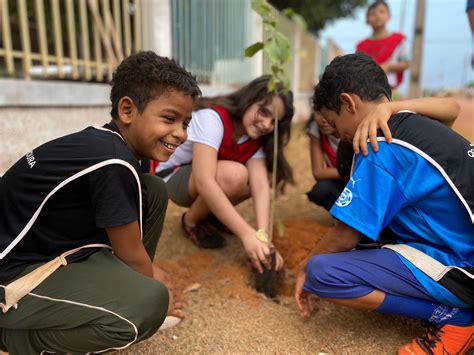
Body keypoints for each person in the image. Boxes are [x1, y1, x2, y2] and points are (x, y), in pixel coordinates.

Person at [0, 51, 201, 354]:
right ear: (127, 110)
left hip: (46, 252)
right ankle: (13, 341)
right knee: (149, 303)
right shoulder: (112, 161)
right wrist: (156, 288)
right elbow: (133, 255)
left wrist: (144, 275)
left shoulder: (112, 147)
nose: (181, 133)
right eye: (170, 119)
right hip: (10, 276)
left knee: (153, 190)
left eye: (186, 123)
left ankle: (121, 289)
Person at [295, 53, 473, 355]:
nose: (341, 137)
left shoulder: (379, 146)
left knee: (322, 272)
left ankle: (457, 319)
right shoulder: (418, 121)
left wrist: (303, 268)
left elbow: (344, 235)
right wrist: (389, 107)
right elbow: (452, 108)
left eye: (337, 126)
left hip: (466, 270)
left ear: (348, 103)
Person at [156, 75, 294, 274]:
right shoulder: (213, 119)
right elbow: (204, 182)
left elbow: (261, 186)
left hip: (199, 179)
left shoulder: (254, 138)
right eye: (263, 112)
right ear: (248, 100)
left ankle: (213, 216)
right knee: (236, 175)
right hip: (173, 178)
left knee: (256, 180)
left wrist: (263, 237)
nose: (266, 124)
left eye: (274, 122)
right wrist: (247, 234)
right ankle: (191, 222)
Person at [356, 0, 410, 88]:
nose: (377, 16)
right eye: (373, 14)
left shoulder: (399, 40)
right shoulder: (361, 46)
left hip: (391, 89)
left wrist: (388, 67)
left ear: (389, 17)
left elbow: (406, 63)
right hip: (368, 90)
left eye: (381, 12)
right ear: (367, 20)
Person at [305, 111, 345, 211]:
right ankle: (342, 217)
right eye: (319, 112)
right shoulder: (316, 128)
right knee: (321, 190)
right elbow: (318, 172)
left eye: (329, 111)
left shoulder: (352, 128)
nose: (323, 119)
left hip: (359, 183)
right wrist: (350, 172)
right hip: (341, 181)